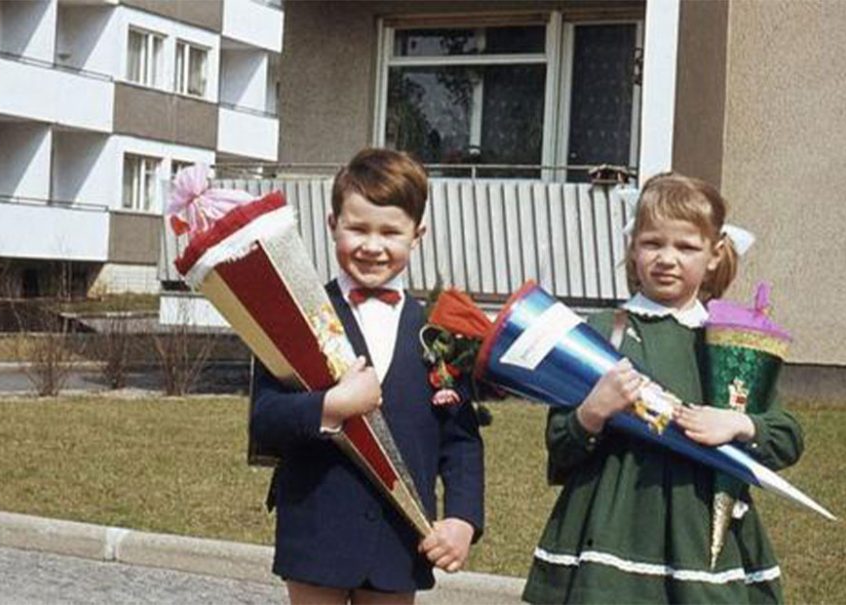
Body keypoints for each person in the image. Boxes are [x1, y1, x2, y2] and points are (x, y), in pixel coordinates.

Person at [522, 173, 804, 603]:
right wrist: (593, 412)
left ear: (714, 255)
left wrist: (738, 424)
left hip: (703, 537)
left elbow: (785, 437)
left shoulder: (732, 342)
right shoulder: (599, 334)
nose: (666, 259)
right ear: (633, 248)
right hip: (611, 532)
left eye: (686, 247)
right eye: (653, 243)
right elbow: (561, 447)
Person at [251, 148, 485, 604]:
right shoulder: (294, 319)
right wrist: (331, 406)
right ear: (331, 223)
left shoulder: (440, 331)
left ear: (417, 236)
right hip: (317, 530)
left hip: (400, 538)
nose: (372, 246)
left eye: (390, 232)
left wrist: (462, 518)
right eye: (357, 228)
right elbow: (265, 419)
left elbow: (461, 441)